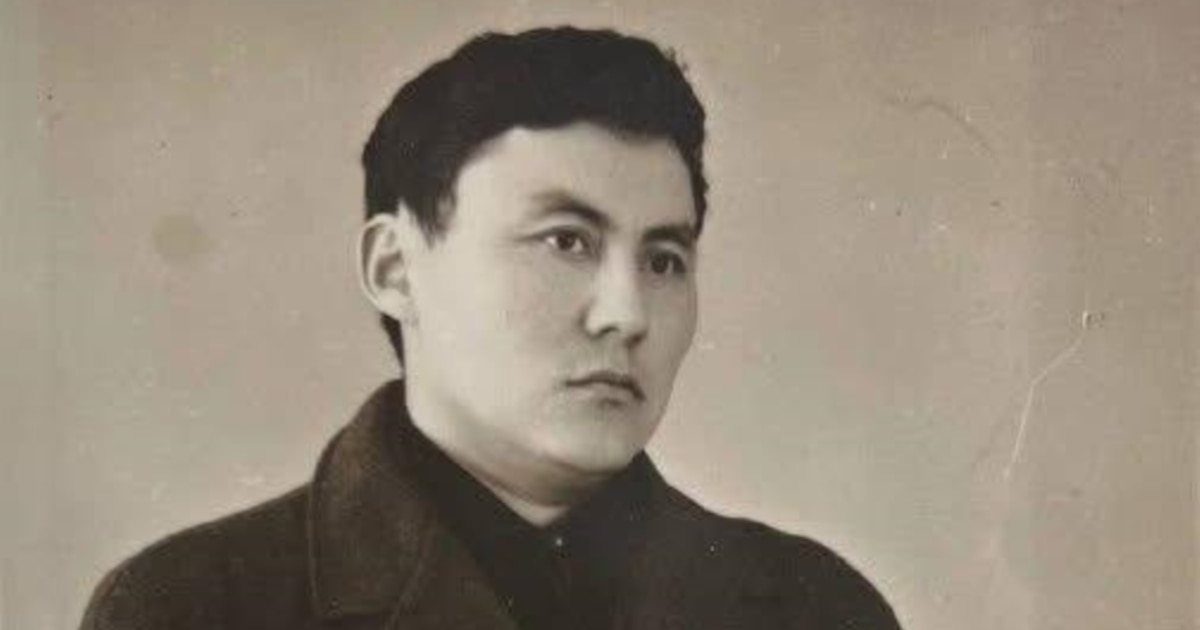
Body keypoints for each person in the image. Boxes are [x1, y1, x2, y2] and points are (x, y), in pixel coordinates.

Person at [80, 27, 902, 630]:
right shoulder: (192, 607)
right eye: (565, 242)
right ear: (395, 269)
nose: (626, 314)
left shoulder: (814, 608)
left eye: (663, 259)